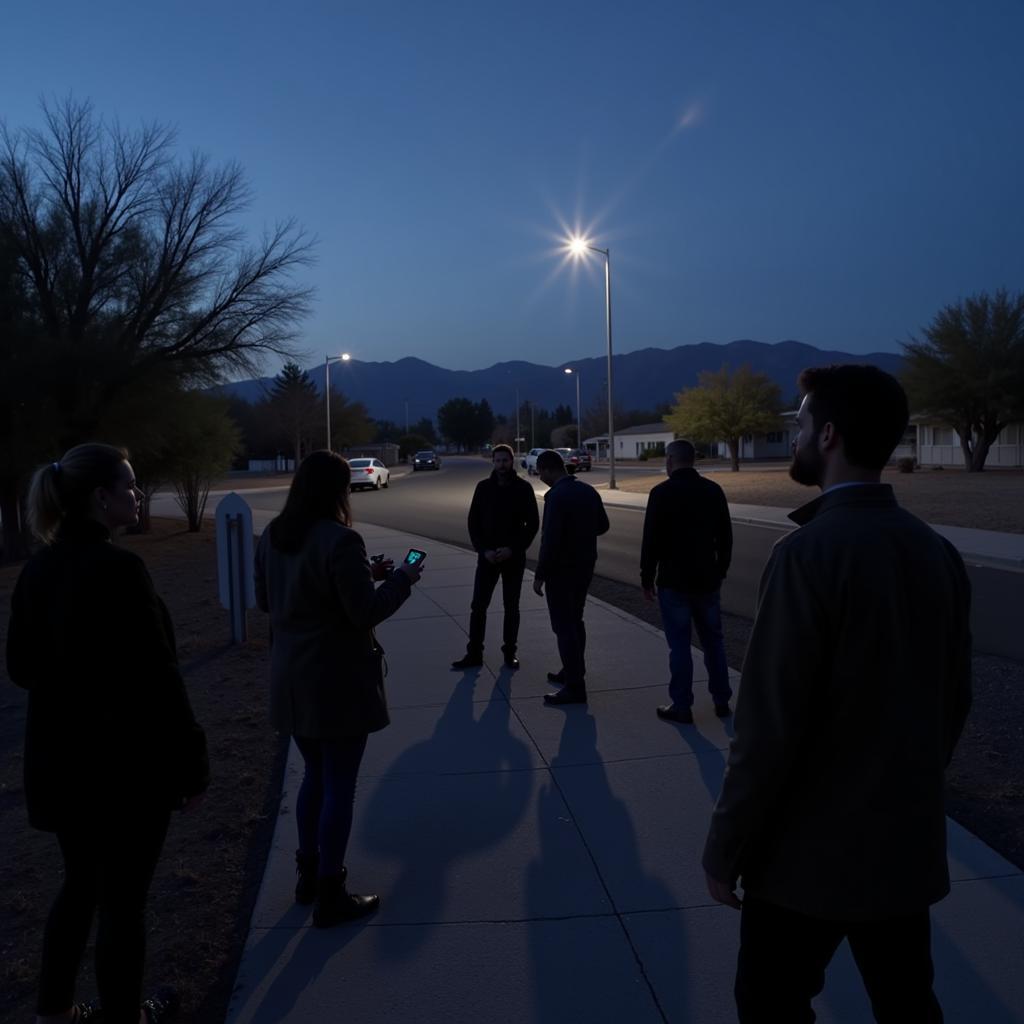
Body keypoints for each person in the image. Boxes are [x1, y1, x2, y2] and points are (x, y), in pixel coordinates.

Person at [702, 365, 972, 1022]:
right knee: (908, 1003)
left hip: (805, 863)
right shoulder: (937, 553)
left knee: (769, 1002)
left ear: (826, 435)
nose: (792, 435)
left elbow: (767, 729)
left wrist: (725, 846)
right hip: (903, 852)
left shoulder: (807, 555)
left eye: (797, 424)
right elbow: (954, 703)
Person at [6, 443, 209, 1024]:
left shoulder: (38, 568)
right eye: (130, 485)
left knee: (80, 886)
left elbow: (21, 668)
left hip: (61, 767)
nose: (138, 495)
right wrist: (193, 762)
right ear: (101, 498)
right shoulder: (119, 569)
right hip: (124, 771)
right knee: (123, 900)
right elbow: (159, 677)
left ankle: (54, 1011)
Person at [254, 450, 422, 928]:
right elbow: (364, 613)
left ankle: (307, 876)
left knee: (313, 776)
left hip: (292, 680)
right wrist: (404, 580)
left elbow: (268, 599)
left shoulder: (272, 537)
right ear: (336, 490)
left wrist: (362, 578)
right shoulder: (341, 540)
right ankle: (332, 891)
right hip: (337, 681)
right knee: (339, 786)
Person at [640, 439, 733, 724]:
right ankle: (721, 700)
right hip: (707, 579)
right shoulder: (713, 491)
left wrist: (647, 577)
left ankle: (682, 705)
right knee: (714, 642)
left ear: (670, 460)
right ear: (693, 460)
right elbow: (726, 537)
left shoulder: (661, 493)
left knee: (679, 645)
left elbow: (651, 541)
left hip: (673, 581)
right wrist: (720, 571)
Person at [451, 444, 540, 670]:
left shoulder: (523, 488)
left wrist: (514, 548)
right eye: (498, 460)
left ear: (512, 462)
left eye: (505, 460)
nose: (502, 464)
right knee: (478, 606)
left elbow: (532, 524)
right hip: (487, 557)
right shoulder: (483, 488)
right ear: (493, 462)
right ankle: (474, 654)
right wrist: (483, 550)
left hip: (513, 557)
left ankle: (510, 653)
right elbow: (473, 523)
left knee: (511, 606)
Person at [532, 449, 610, 705]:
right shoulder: (588, 491)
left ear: (547, 469)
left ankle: (575, 686)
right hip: (585, 566)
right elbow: (603, 526)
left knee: (563, 626)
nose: (540, 476)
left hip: (560, 570)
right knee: (576, 620)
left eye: (540, 472)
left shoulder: (556, 497)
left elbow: (550, 539)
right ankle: (573, 670)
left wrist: (540, 574)